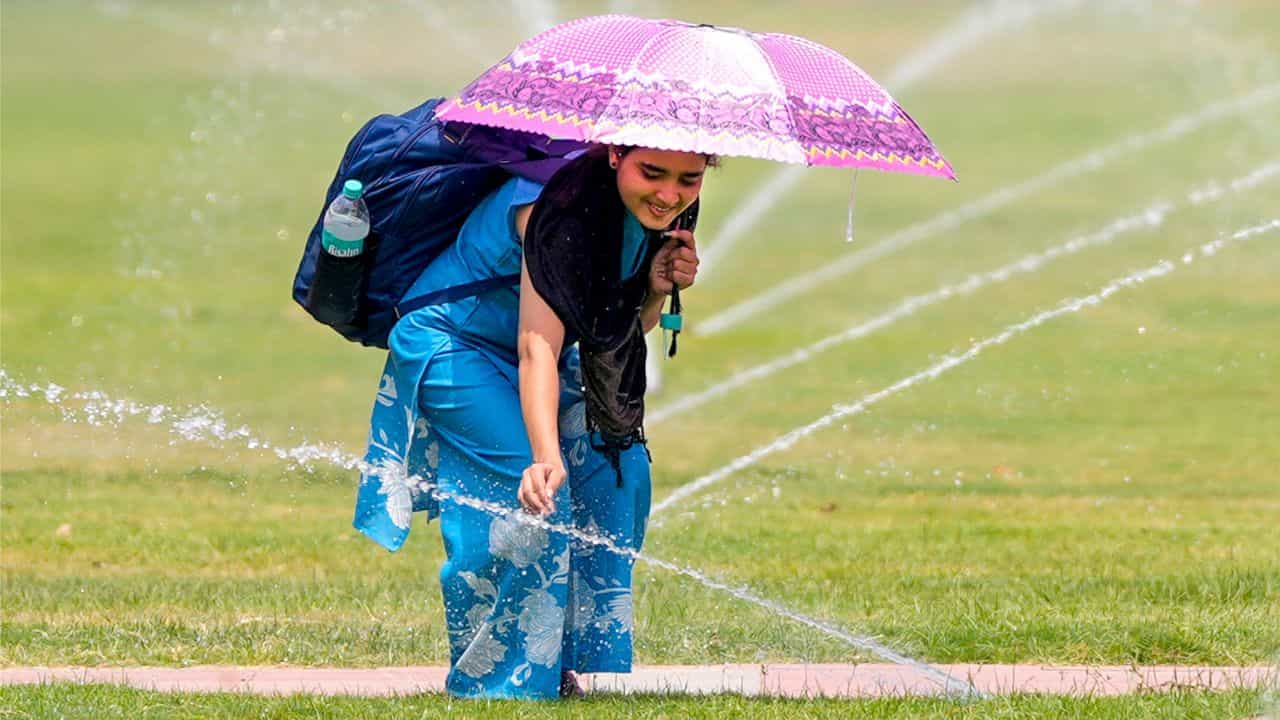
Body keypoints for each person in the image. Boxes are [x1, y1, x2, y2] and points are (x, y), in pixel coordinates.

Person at [352, 143, 709, 699]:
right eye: (653, 173)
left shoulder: (655, 214)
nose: (669, 194)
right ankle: (496, 680)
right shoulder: (554, 207)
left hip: (530, 353)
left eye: (689, 179)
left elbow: (610, 327)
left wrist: (655, 292)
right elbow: (536, 346)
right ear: (616, 154)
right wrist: (544, 455)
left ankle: (556, 658)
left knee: (618, 466)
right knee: (536, 488)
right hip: (454, 343)